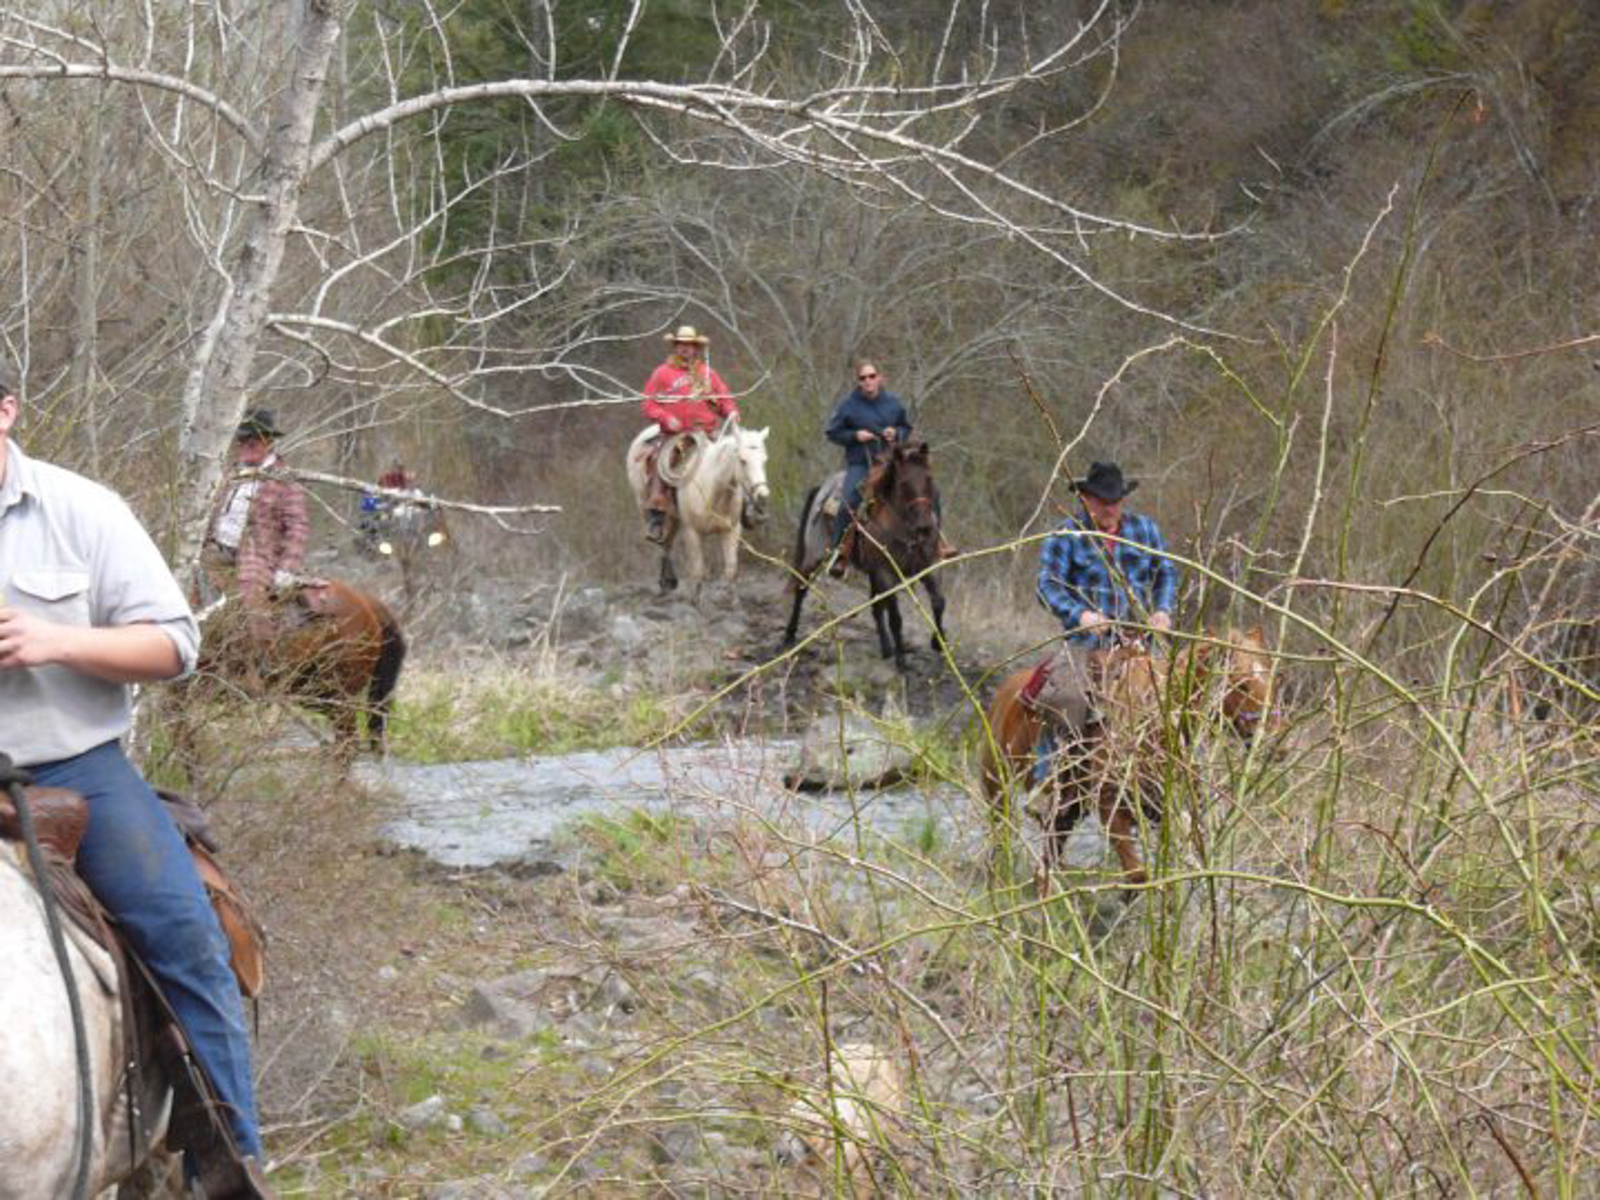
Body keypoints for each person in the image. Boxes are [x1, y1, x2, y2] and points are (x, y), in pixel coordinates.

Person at [0, 361, 272, 1194]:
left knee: (191, 939)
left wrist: (53, 642)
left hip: (71, 771)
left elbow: (175, 646)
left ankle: (227, 1167)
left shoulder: (82, 510)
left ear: (6, 409)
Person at [1031, 460, 1179, 741]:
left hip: (1140, 645)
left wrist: (1162, 611)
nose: (1110, 508)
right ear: (1085, 499)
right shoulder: (1067, 535)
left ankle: (1189, 771)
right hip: (1084, 647)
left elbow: (1166, 574)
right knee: (1065, 703)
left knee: (1176, 704)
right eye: (1102, 501)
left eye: (1116, 501)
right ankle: (1049, 775)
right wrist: (1080, 615)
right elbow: (1046, 586)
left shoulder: (1145, 530)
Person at [204, 409, 309, 621]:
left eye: (253, 441)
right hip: (217, 548)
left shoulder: (284, 478)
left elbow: (298, 526)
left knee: (252, 601)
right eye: (242, 440)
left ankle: (263, 651)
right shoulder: (231, 473)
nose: (246, 446)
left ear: (269, 442)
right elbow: (209, 511)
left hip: (258, 554)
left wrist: (287, 568)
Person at [639, 325, 739, 543]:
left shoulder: (707, 373)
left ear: (696, 348)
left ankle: (747, 508)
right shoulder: (662, 373)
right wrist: (666, 418)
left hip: (708, 434)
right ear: (675, 346)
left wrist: (731, 412)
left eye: (690, 345)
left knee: (738, 459)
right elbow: (648, 404)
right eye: (682, 344)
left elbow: (724, 398)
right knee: (660, 463)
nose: (686, 348)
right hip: (677, 436)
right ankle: (656, 517)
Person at [823, 361, 911, 577]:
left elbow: (906, 427)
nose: (868, 381)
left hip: (890, 461)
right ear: (858, 382)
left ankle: (934, 546)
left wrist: (896, 433)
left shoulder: (893, 403)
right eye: (863, 378)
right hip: (862, 462)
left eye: (871, 376)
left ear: (880, 377)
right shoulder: (849, 406)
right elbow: (832, 432)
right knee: (849, 502)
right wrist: (855, 436)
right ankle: (838, 554)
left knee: (922, 490)